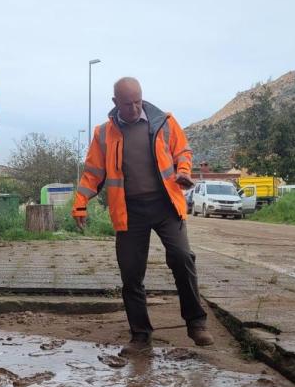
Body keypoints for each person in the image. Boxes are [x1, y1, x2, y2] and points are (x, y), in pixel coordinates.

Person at [72, 77, 214, 355]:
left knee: (182, 257)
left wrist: (183, 171)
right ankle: (140, 336)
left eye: (138, 101)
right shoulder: (104, 133)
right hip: (129, 211)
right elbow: (93, 174)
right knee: (131, 273)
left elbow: (182, 152)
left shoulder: (164, 122)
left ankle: (196, 323)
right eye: (128, 104)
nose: (135, 108)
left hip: (165, 206)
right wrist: (80, 202)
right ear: (115, 103)